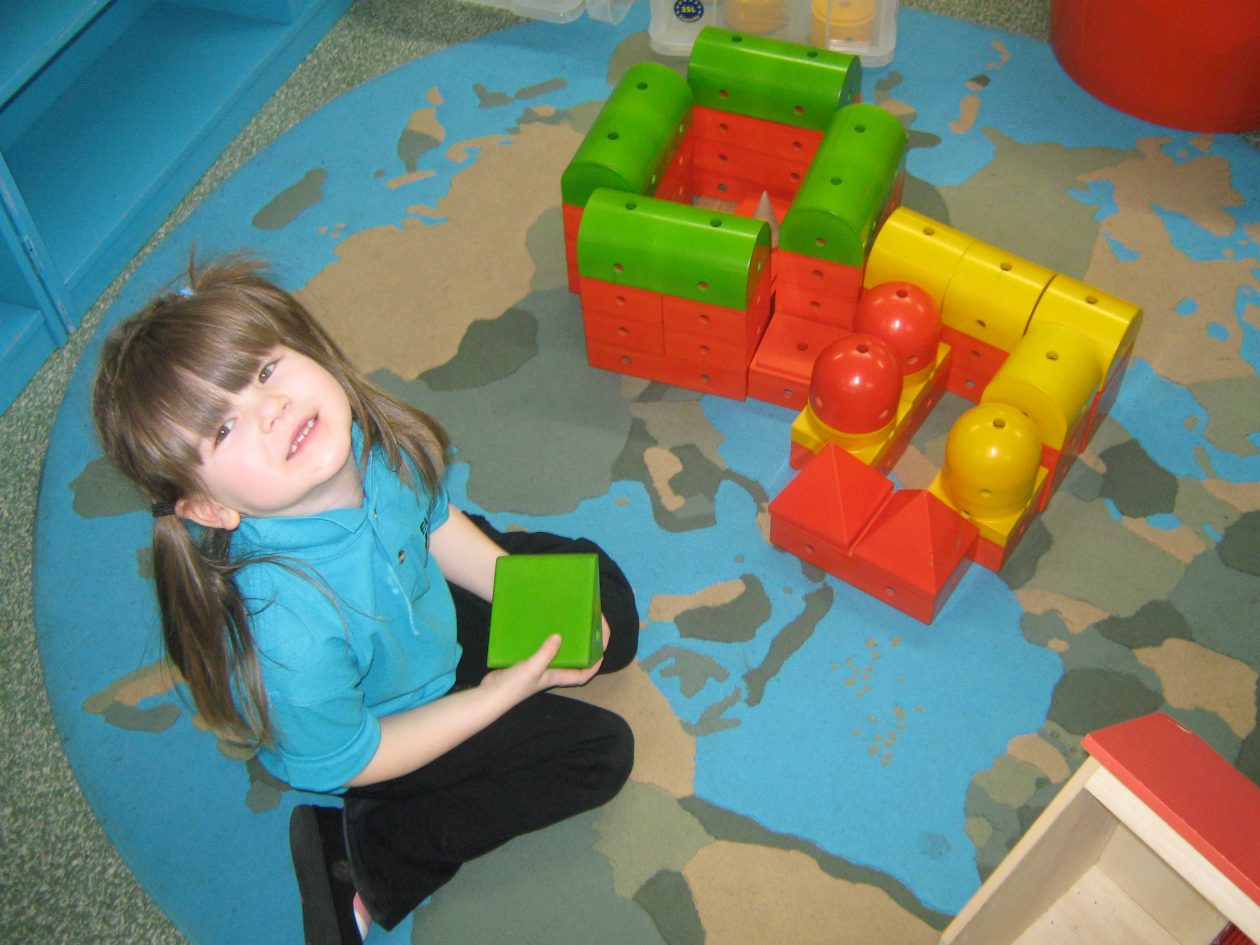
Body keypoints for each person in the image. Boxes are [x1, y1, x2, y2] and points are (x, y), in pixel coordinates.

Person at [92, 256, 639, 945]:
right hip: (387, 716)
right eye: (223, 430)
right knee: (598, 753)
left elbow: (433, 522)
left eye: (263, 371)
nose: (271, 409)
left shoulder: (363, 441)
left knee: (609, 615)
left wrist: (530, 595)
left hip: (418, 602)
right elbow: (359, 753)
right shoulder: (285, 634)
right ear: (207, 507)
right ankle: (370, 849)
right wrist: (496, 696)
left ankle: (517, 628)